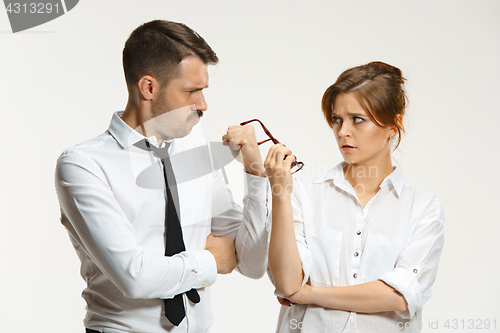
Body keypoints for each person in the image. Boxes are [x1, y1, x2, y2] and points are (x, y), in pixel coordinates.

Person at [55, 20, 268, 333]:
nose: (203, 105)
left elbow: (250, 263)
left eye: (203, 91)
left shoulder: (194, 144)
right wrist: (209, 261)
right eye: (191, 92)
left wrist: (256, 174)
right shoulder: (83, 165)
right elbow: (135, 276)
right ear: (149, 88)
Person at [265, 61, 446, 332]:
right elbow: (288, 283)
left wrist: (309, 295)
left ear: (393, 125)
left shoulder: (423, 209)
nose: (342, 131)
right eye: (337, 119)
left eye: (357, 119)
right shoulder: (302, 194)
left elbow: (397, 296)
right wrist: (280, 193)